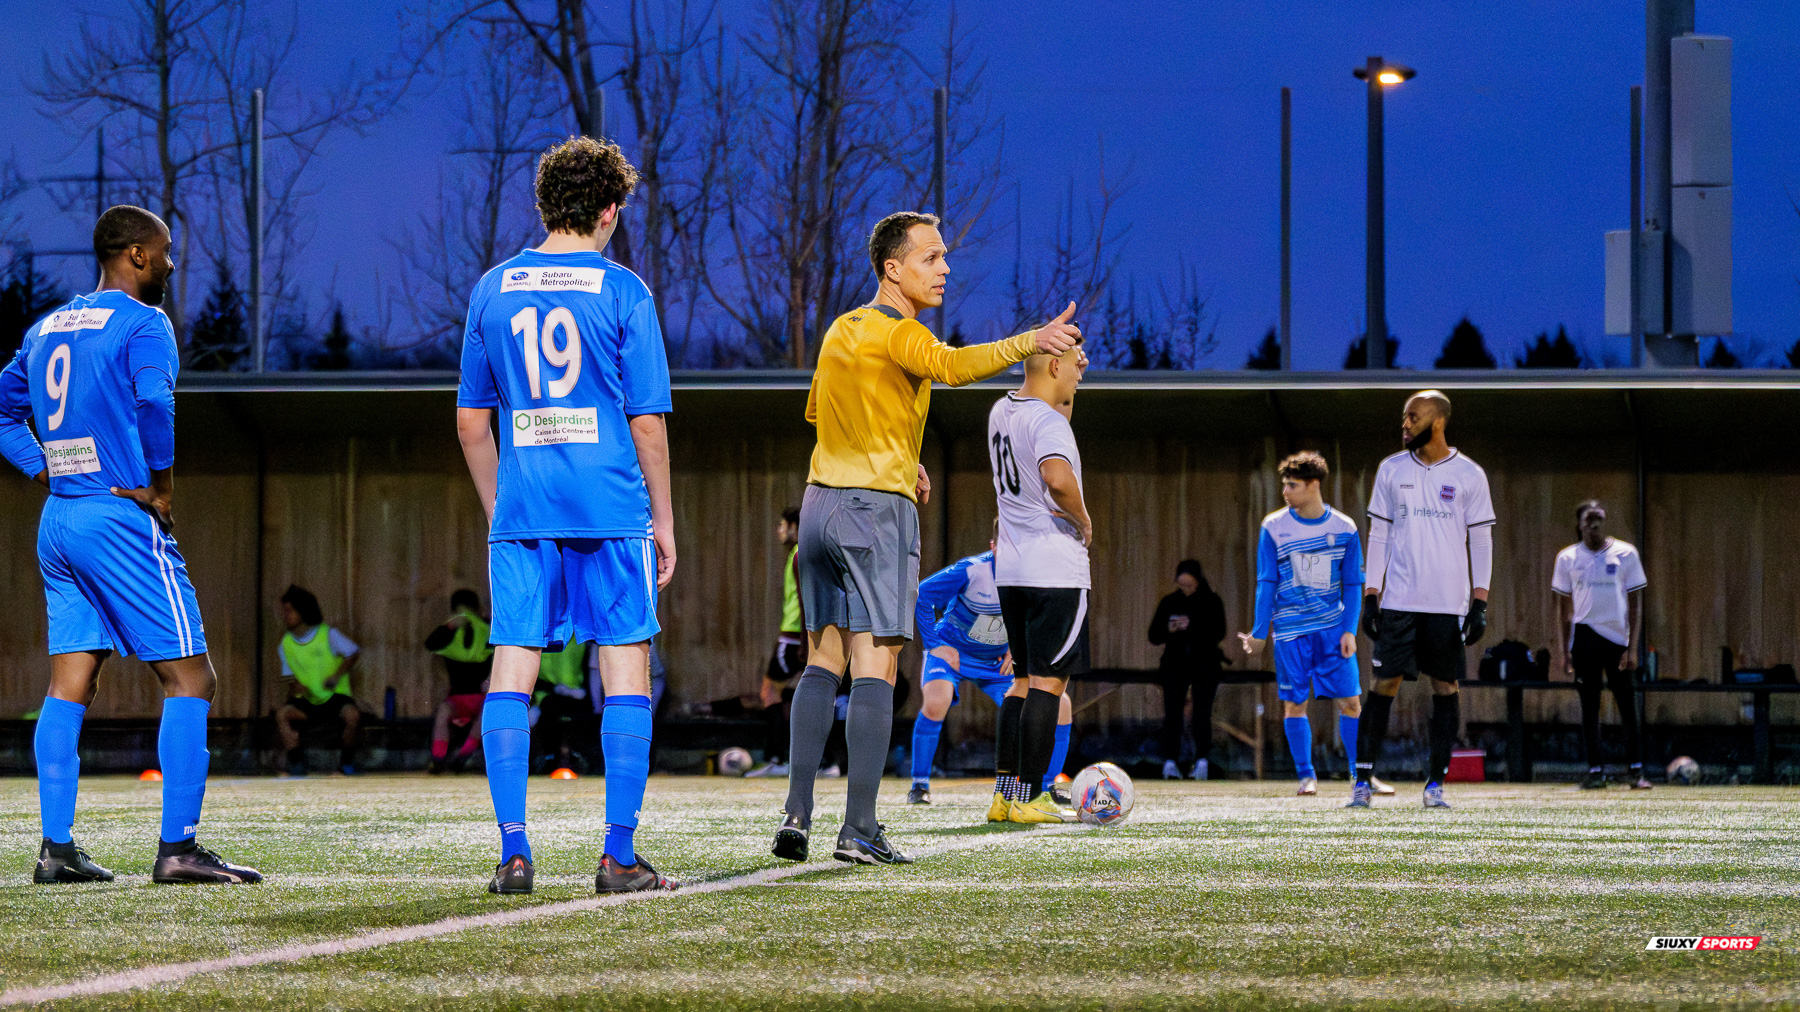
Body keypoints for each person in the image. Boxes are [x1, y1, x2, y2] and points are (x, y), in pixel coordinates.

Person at [773, 211, 1078, 865]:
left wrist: (899, 454)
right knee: (877, 665)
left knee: (823, 663)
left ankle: (796, 812)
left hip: (819, 505)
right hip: (874, 513)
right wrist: (1032, 341)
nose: (945, 269)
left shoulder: (840, 329)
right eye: (932, 257)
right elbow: (952, 365)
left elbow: (825, 414)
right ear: (893, 268)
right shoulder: (898, 329)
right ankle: (858, 829)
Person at [0, 204, 260, 884]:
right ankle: (178, 849)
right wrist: (162, 488)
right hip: (117, 517)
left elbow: (2, 410)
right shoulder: (145, 323)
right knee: (192, 677)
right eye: (166, 250)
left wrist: (44, 467)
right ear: (138, 255)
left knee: (68, 685)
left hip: (58, 522)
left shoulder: (48, 326)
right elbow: (154, 406)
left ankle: (55, 851)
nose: (172, 263)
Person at [456, 135, 677, 896]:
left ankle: (514, 852)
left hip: (525, 509)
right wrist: (666, 524)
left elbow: (471, 424)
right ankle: (618, 856)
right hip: (611, 506)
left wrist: (501, 509)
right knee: (625, 675)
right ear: (610, 210)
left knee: (511, 670)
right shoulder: (624, 291)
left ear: (544, 206)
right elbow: (647, 422)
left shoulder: (493, 288)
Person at [1354, 390, 1495, 810]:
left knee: (1446, 686)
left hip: (1447, 605)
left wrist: (1479, 603)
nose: (1404, 424)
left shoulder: (1470, 474)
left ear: (1437, 422)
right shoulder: (1391, 470)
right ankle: (1362, 782)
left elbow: (1482, 539)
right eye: (1403, 418)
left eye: (1412, 417)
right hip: (1399, 601)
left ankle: (1435, 785)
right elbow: (1378, 534)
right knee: (1384, 683)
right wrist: (1371, 595)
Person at [988, 330, 1091, 824]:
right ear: (1053, 367)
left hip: (1010, 567)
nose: (1081, 364)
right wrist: (1084, 519)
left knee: (1023, 682)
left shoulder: (1002, 410)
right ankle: (1029, 798)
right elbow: (1056, 475)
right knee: (1050, 685)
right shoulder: (1049, 422)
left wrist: (1067, 394)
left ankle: (1004, 795)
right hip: (1054, 566)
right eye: (1075, 360)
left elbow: (1049, 423)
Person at [907, 531, 1075, 805]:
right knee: (938, 700)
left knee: (1062, 704)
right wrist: (934, 644)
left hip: (997, 663)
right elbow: (923, 594)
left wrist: (1019, 647)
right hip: (953, 655)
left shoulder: (1032, 577)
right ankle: (919, 784)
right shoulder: (972, 571)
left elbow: (1035, 618)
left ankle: (1046, 788)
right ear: (992, 545)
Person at [1237, 452, 1364, 796]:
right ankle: (1306, 776)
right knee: (1294, 703)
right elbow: (1266, 581)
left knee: (1351, 701)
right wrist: (1260, 633)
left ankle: (1359, 775)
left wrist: (1350, 629)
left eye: (1292, 485)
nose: (1285, 491)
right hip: (1291, 632)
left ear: (1313, 485)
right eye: (1284, 484)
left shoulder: (1344, 527)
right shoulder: (1273, 527)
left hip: (1333, 630)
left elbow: (1353, 584)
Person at [1553, 500, 1651, 790]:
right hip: (1584, 637)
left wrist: (1633, 647)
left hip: (1617, 637)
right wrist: (1563, 650)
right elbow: (1561, 609)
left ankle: (1635, 770)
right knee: (1589, 706)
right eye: (1589, 518)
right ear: (1579, 524)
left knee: (1627, 706)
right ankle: (1595, 771)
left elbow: (1635, 604)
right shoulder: (1568, 558)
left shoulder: (1625, 553)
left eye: (1599, 518)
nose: (1595, 524)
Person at [1148, 560, 1226, 780]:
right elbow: (1154, 635)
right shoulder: (1170, 602)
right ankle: (1170, 761)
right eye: (1182, 585)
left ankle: (1202, 760)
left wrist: (1192, 625)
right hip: (1175, 663)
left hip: (1205, 663)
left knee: (1202, 712)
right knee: (1172, 712)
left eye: (1190, 585)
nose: (1186, 590)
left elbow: (1219, 632)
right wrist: (1170, 628)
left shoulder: (1211, 601)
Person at [274, 585, 363, 777]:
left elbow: (353, 653)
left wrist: (336, 675)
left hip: (335, 700)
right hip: (308, 702)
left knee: (352, 716)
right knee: (283, 714)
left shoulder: (328, 634)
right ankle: (296, 764)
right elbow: (289, 677)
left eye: (289, 610)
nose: (285, 615)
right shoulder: (286, 644)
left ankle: (346, 764)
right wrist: (296, 688)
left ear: (303, 610)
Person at [747, 507, 804, 778]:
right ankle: (822, 762)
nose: (779, 531)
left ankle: (777, 759)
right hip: (795, 636)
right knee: (794, 696)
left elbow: (806, 598)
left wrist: (805, 638)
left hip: (793, 637)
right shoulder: (798, 553)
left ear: (795, 526)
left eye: (782, 525)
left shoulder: (800, 554)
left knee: (770, 694)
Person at [424, 588, 493, 773]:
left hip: (480, 697)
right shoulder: (449, 633)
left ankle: (463, 757)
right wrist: (450, 627)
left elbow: (502, 648)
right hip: (456, 698)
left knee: (486, 713)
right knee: (443, 712)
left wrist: (488, 619)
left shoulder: (487, 629)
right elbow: (430, 644)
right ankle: (438, 759)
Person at [532, 639, 594, 772]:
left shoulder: (582, 639)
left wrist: (583, 692)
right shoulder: (541, 637)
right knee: (548, 712)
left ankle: (577, 756)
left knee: (586, 716)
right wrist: (555, 688)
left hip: (578, 695)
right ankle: (548, 757)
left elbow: (590, 670)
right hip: (546, 695)